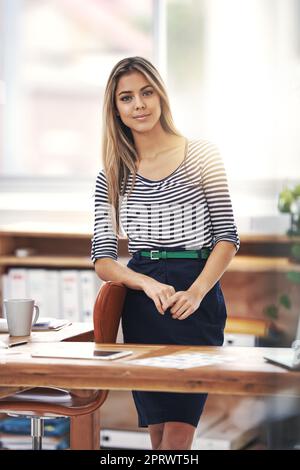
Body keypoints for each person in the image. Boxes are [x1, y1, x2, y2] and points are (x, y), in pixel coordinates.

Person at [91, 56, 240, 450]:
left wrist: (197, 291)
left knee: (178, 435)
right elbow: (103, 259)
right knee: (158, 437)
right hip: (143, 303)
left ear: (161, 96)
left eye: (146, 92)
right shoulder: (112, 174)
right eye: (126, 97)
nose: (138, 104)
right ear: (116, 109)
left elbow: (227, 237)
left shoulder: (203, 154)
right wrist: (144, 282)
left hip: (196, 299)